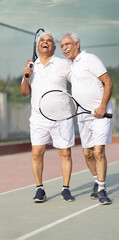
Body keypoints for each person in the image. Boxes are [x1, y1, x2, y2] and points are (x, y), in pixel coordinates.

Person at [20, 32, 75, 203]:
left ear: (54, 46)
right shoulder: (31, 66)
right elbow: (23, 92)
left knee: (65, 153)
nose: (45, 43)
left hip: (62, 118)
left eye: (49, 41)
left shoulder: (63, 64)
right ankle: (39, 189)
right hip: (38, 119)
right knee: (37, 153)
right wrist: (25, 75)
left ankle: (65, 189)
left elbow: (78, 82)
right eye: (42, 41)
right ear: (37, 46)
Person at [60, 33, 113, 205]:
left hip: (100, 114)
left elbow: (108, 82)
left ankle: (102, 189)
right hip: (83, 117)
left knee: (98, 151)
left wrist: (102, 107)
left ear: (77, 44)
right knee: (87, 153)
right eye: (61, 46)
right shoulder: (70, 65)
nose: (64, 48)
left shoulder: (90, 59)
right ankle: (97, 181)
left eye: (67, 44)